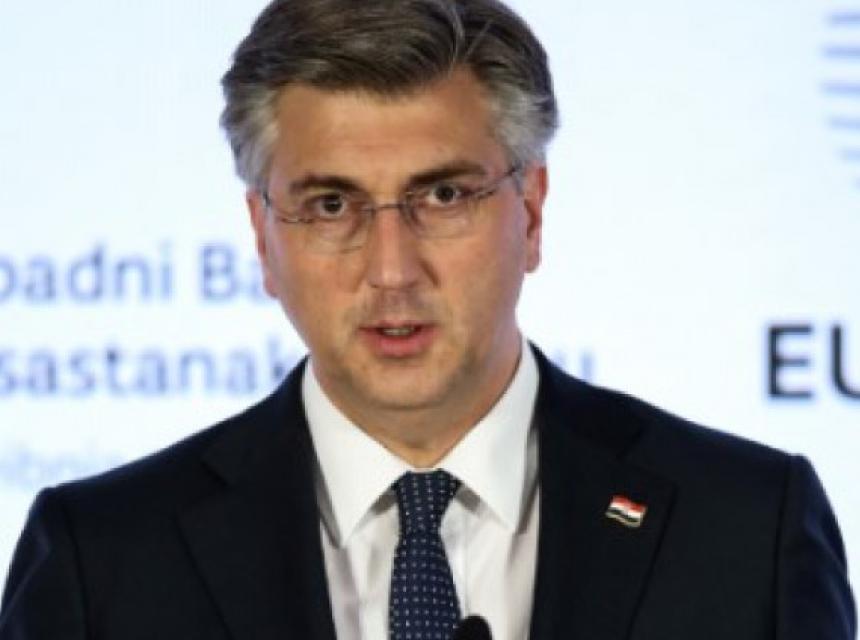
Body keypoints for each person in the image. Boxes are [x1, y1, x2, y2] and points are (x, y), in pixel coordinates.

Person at [0, 0, 855, 638]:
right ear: (262, 237)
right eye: (331, 204)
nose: (391, 269)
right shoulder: (103, 560)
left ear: (532, 211)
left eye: (443, 195)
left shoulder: (745, 528)